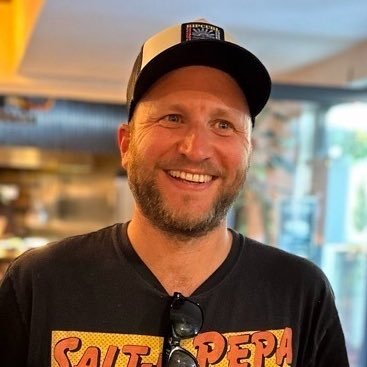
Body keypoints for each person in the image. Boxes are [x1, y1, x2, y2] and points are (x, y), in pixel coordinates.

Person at [0, 20, 349, 367]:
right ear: (126, 144)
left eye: (224, 125)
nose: (196, 150)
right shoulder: (38, 284)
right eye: (172, 117)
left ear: (248, 150)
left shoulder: (300, 292)